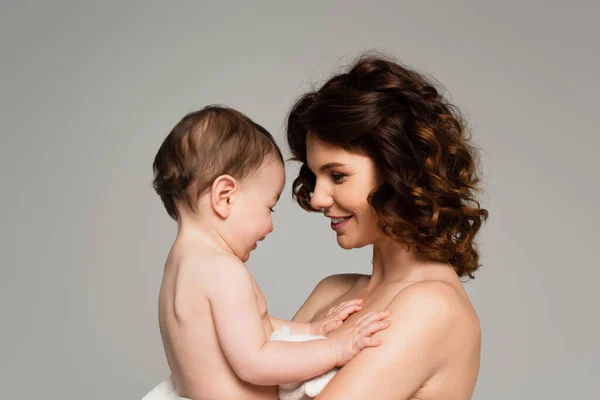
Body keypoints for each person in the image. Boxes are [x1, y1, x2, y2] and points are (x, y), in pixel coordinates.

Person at [150, 105, 391, 399]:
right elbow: (255, 361)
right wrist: (336, 348)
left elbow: (254, 325)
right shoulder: (223, 270)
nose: (271, 226)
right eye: (269, 207)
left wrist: (312, 330)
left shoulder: (181, 266)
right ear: (224, 196)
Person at [286, 54, 489, 400]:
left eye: (337, 176)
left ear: (399, 169)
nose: (318, 198)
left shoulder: (434, 307)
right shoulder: (331, 292)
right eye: (314, 175)